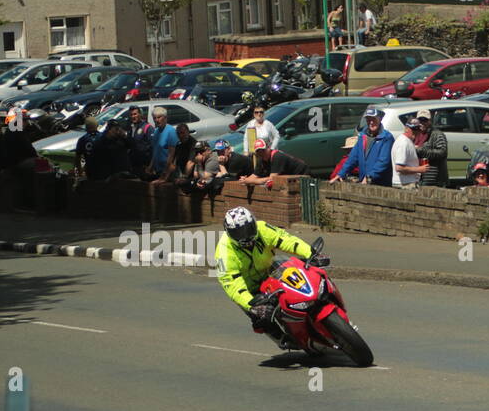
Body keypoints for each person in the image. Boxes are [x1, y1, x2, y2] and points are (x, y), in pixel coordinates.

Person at [214, 207, 322, 348]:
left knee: (306, 273)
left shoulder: (262, 228)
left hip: (272, 271)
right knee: (261, 317)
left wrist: (310, 253)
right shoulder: (223, 253)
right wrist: (251, 304)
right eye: (239, 233)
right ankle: (281, 338)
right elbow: (231, 285)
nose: (246, 236)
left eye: (249, 229)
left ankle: (321, 299)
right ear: (229, 233)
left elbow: (286, 240)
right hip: (251, 290)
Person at [330, 107, 394, 185]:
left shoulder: (386, 137)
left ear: (380, 119)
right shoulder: (362, 136)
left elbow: (383, 162)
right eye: (368, 119)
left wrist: (369, 177)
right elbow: (353, 157)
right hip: (364, 182)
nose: (371, 122)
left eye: (373, 119)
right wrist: (341, 174)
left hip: (380, 184)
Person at [155, 122, 197, 186]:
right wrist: (164, 179)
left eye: (183, 133)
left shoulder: (193, 144)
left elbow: (190, 163)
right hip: (182, 175)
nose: (180, 135)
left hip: (193, 176)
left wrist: (183, 178)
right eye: (178, 133)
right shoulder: (178, 145)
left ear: (188, 132)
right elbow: (172, 165)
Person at [413, 108, 448, 187]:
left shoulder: (437, 134)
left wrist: (421, 150)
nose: (422, 123)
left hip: (434, 180)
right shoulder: (416, 134)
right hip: (418, 177)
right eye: (420, 120)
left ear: (429, 121)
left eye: (424, 120)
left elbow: (442, 152)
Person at [146, 107, 179, 180]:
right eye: (154, 118)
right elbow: (155, 152)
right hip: (158, 171)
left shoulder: (171, 131)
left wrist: (165, 173)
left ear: (165, 118)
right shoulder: (156, 131)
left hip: (168, 173)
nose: (156, 120)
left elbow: (172, 155)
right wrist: (150, 167)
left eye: (159, 117)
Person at [391, 118, 424, 188]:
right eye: (413, 129)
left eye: (417, 129)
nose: (416, 132)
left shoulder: (406, 141)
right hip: (405, 184)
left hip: (406, 182)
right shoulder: (404, 143)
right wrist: (419, 169)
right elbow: (399, 168)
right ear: (406, 128)